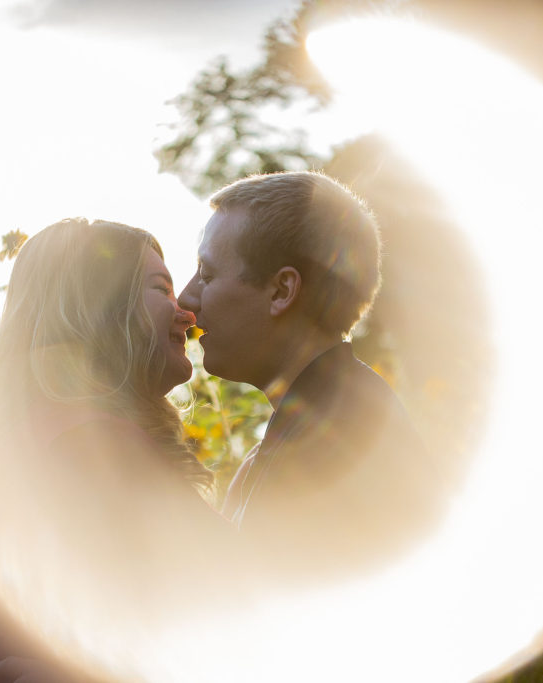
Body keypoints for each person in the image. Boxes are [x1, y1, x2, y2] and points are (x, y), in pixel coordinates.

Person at [0, 218, 236, 683]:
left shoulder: (36, 437)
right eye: (160, 288)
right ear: (100, 309)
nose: (186, 310)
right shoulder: (93, 445)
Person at [177, 170, 435, 580]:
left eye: (207, 275)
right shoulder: (327, 419)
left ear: (281, 291)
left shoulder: (330, 448)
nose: (186, 299)